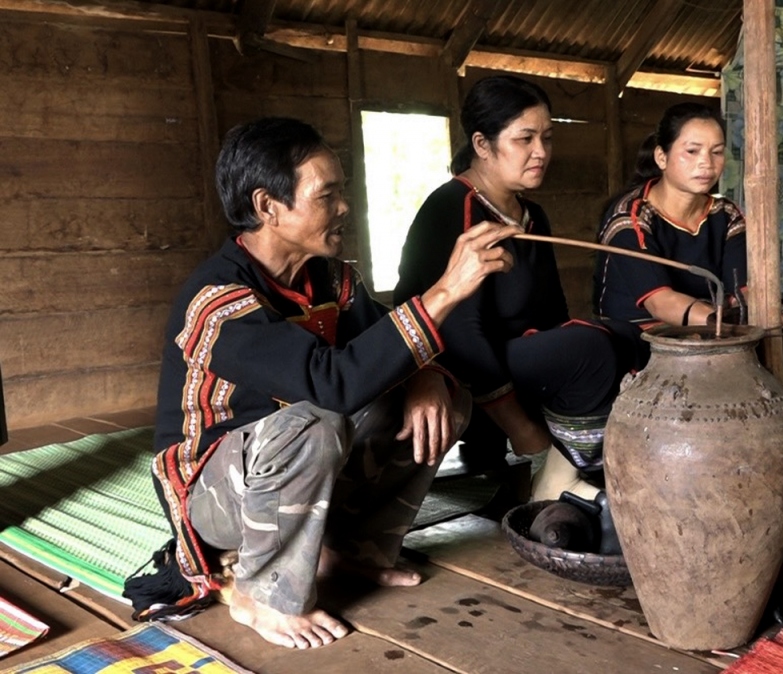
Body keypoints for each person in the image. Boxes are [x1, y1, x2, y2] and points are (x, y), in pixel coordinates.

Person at [132, 117, 518, 649]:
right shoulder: (217, 300)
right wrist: (448, 289)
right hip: (213, 493)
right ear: (268, 206)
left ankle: (355, 550)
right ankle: (261, 593)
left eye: (344, 193)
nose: (343, 208)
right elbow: (331, 383)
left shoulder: (333, 279)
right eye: (327, 195)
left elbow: (381, 353)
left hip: (294, 462)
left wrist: (424, 373)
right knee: (315, 420)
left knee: (440, 397)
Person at [394, 75, 622, 503]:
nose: (541, 152)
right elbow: (461, 336)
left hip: (517, 360)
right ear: (482, 145)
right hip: (457, 369)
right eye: (526, 139)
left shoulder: (532, 215)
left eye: (547, 138)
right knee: (590, 351)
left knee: (624, 337)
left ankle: (581, 466)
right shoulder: (454, 208)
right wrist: (525, 431)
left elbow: (553, 312)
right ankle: (555, 473)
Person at [593, 102, 747, 369]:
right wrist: (726, 326)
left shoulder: (727, 215)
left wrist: (746, 310)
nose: (706, 163)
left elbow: (741, 290)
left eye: (717, 152)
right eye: (692, 151)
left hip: (710, 337)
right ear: (661, 157)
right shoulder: (631, 218)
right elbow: (660, 302)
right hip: (637, 343)